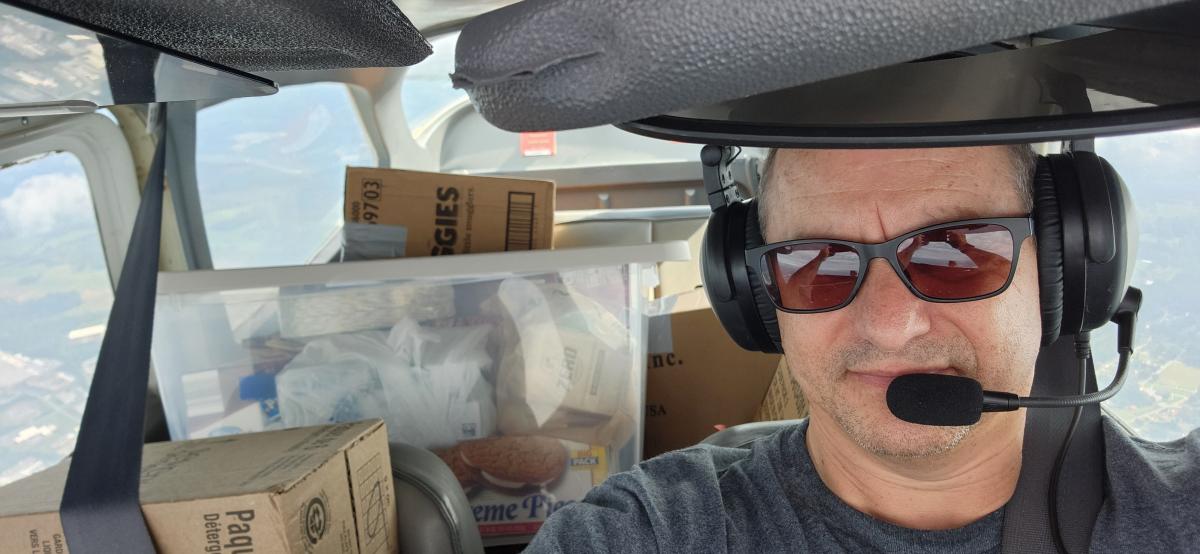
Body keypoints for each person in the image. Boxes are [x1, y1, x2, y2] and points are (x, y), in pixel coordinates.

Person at [523, 145, 1200, 553]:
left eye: (953, 253)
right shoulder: (651, 535)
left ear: (1064, 269)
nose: (888, 323)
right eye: (817, 263)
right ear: (760, 301)